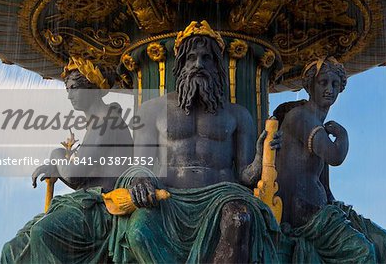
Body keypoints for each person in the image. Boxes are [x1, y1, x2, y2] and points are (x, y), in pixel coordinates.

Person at [108, 21, 283, 263]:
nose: (198, 65)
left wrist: (262, 155)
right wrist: (139, 180)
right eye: (191, 58)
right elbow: (141, 165)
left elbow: (245, 176)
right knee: (138, 233)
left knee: (239, 219)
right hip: (166, 200)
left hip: (221, 196)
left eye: (206, 58)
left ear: (217, 66)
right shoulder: (151, 111)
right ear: (180, 66)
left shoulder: (238, 115)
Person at [1, 58, 133, 263]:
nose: (69, 95)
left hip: (104, 209)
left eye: (74, 88)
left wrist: (57, 156)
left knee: (43, 232)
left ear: (91, 88)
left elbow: (75, 174)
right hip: (86, 205)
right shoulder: (96, 122)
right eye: (67, 88)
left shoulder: (108, 120)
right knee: (13, 249)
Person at [274, 57, 386, 263]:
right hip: (301, 214)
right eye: (323, 83)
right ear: (309, 85)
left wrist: (340, 210)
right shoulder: (300, 117)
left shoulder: (318, 127)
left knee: (385, 242)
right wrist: (343, 136)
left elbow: (326, 187)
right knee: (363, 252)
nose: (329, 89)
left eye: (335, 84)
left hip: (322, 210)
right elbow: (334, 156)